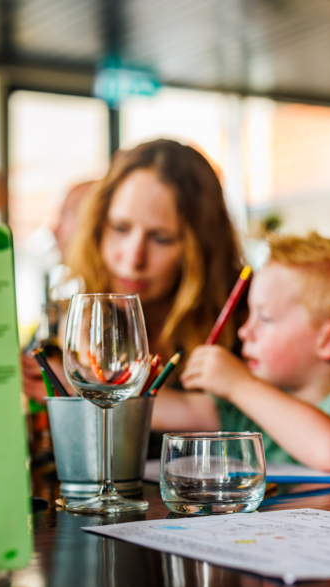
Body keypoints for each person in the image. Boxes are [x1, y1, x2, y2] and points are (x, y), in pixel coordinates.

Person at [20, 139, 245, 412]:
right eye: (120, 228)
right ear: (96, 226)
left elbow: (249, 418)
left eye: (161, 238)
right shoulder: (64, 318)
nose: (133, 258)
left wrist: (89, 386)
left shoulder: (247, 321)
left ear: (202, 247)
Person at [159, 232, 330, 476]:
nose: (244, 331)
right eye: (249, 315)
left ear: (329, 342)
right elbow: (174, 409)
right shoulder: (248, 407)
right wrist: (131, 382)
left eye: (265, 318)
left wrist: (239, 385)